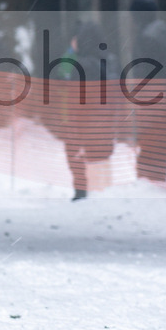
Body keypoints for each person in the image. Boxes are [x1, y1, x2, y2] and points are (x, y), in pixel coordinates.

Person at [52, 20, 117, 201]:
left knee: (78, 156)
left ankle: (82, 193)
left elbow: (61, 75)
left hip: (81, 120)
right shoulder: (110, 60)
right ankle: (101, 193)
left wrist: (71, 51)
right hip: (105, 121)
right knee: (101, 159)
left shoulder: (81, 64)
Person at [128, 0, 166, 181]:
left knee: (150, 132)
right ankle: (157, 172)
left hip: (151, 92)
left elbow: (147, 67)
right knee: (160, 133)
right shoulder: (161, 29)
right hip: (163, 90)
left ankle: (149, 174)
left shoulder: (147, 35)